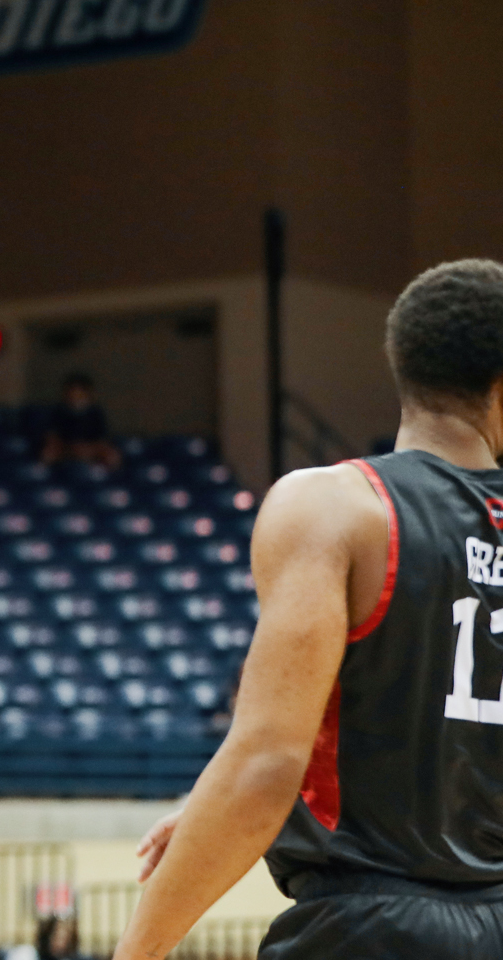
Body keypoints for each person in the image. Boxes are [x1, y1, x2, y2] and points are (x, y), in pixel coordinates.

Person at [115, 259, 503, 958]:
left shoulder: (339, 507)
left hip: (371, 929)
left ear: (403, 368)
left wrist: (138, 950)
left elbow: (267, 764)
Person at [39, 373, 121, 469]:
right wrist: (70, 448)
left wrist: (87, 448)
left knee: (112, 456)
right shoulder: (58, 411)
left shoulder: (96, 413)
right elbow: (51, 436)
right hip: (65, 448)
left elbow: (103, 439)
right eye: (73, 392)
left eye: (80, 392)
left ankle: (104, 480)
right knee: (48, 453)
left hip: (90, 449)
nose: (76, 396)